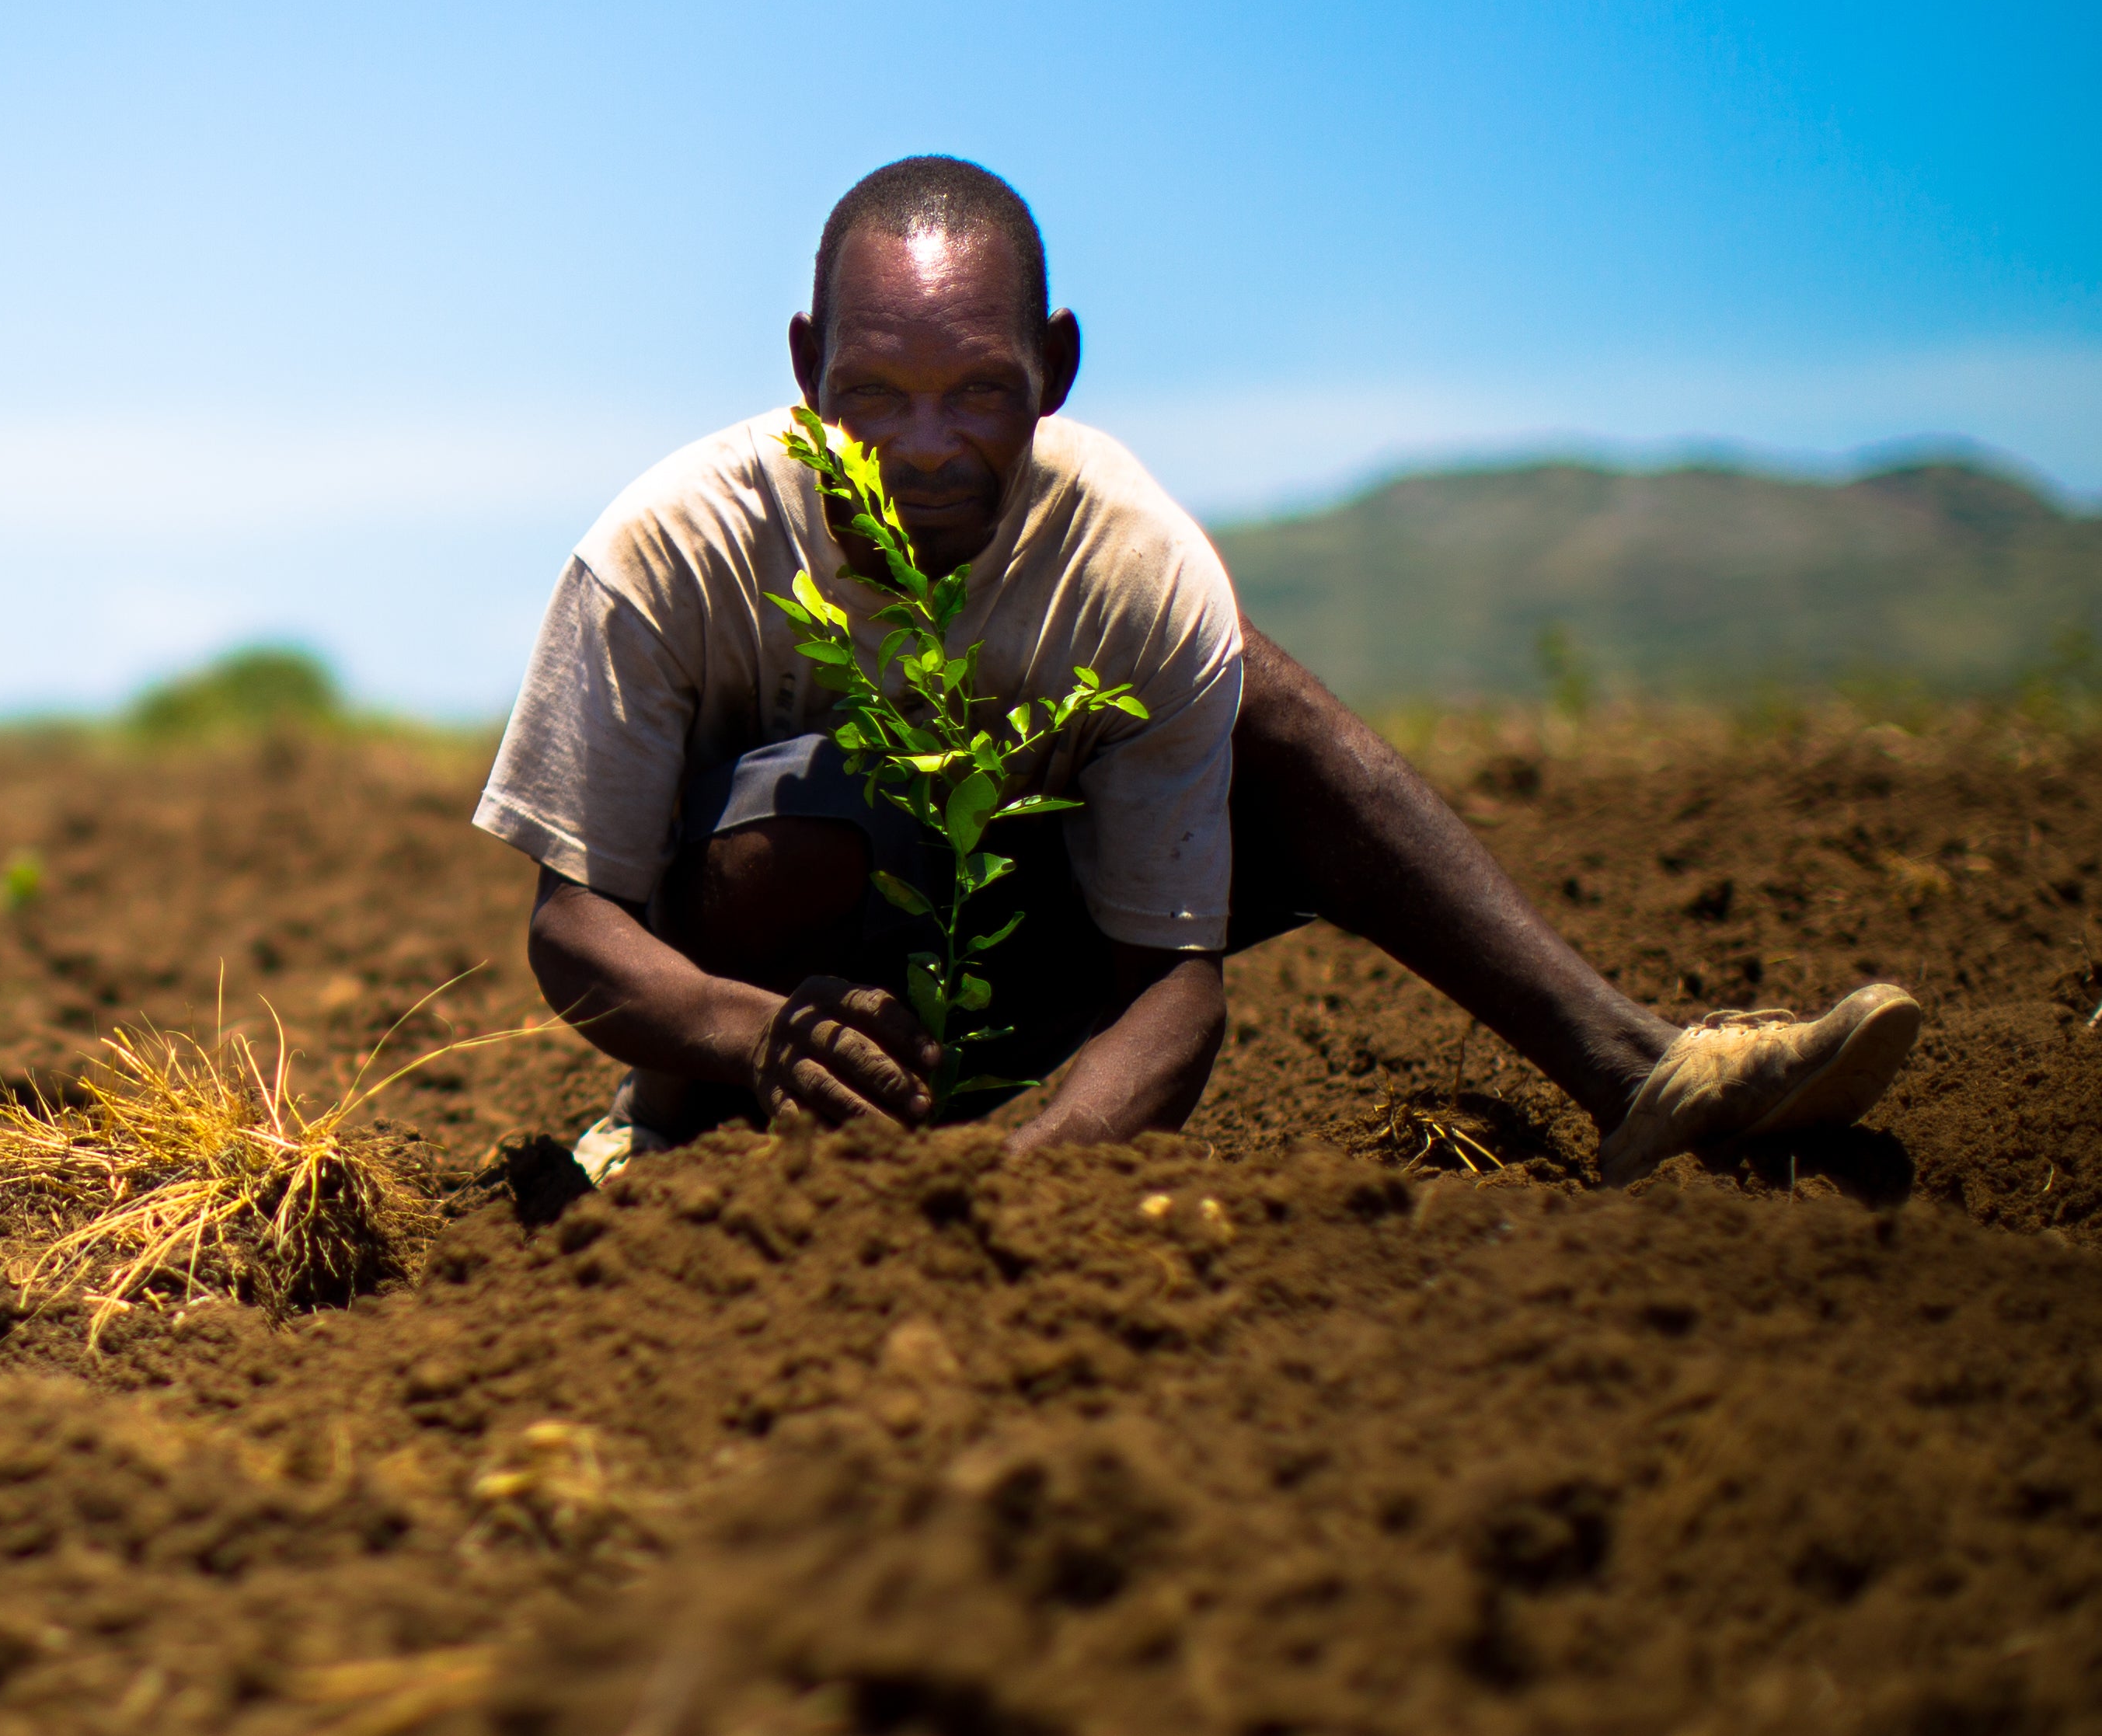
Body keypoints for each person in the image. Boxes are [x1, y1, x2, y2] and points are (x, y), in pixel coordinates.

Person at [476, 155, 1916, 1183]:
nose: (925, 448)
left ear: (1056, 367)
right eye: (873, 396)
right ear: (807, 366)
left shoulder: (1132, 559)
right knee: (806, 816)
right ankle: (673, 1132)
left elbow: (1175, 988)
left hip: (1024, 984)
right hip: (761, 1014)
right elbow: (571, 925)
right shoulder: (666, 552)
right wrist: (755, 1037)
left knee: (1254, 694)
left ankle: (1637, 1073)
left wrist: (1014, 1192)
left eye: (980, 392)